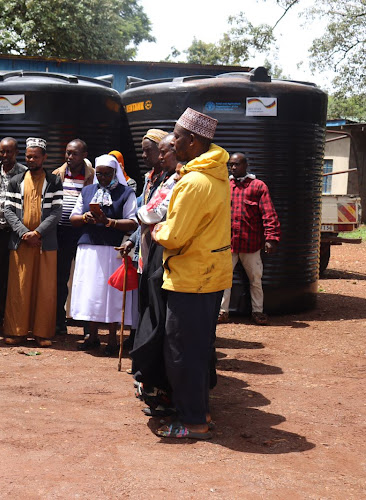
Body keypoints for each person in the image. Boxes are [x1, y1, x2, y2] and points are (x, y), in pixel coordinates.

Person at [151, 107, 232, 440]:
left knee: (182, 351)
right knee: (198, 349)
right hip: (208, 275)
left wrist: (156, 230)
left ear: (194, 141)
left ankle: (192, 421)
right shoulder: (215, 174)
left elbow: (174, 236)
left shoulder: (194, 183)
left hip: (192, 279)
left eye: (179, 136)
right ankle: (200, 412)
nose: (174, 141)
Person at [127, 133, 182, 416]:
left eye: (161, 152)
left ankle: (163, 390)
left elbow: (152, 212)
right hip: (151, 257)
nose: (156, 158)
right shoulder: (156, 178)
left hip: (170, 262)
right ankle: (149, 381)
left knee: (162, 326)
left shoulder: (182, 180)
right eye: (153, 152)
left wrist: (141, 217)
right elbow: (145, 213)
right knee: (148, 317)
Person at [69, 155, 138, 354]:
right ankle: (92, 336)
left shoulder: (126, 193)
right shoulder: (88, 190)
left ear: (115, 173)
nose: (103, 178)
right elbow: (73, 217)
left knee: (112, 294)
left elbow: (133, 222)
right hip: (89, 248)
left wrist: (109, 222)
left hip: (113, 250)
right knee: (91, 292)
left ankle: (113, 340)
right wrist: (84, 217)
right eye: (99, 174)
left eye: (107, 174)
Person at [2, 138, 63, 347]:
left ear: (44, 158)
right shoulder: (15, 180)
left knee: (44, 288)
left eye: (36, 156)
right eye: (28, 156)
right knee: (19, 287)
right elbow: (8, 210)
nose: (31, 160)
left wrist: (37, 233)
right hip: (21, 243)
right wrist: (24, 233)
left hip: (45, 243)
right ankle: (16, 331)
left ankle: (42, 333)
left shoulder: (54, 181)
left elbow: (56, 212)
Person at [218, 152, 280, 325]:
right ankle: (222, 312)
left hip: (251, 243)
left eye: (237, 164)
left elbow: (269, 214)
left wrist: (271, 238)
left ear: (246, 165)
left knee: (255, 279)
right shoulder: (225, 186)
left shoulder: (258, 186)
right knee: (224, 279)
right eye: (231, 164)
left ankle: (258, 312)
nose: (233, 167)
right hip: (228, 243)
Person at [52, 139, 94, 335]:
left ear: (84, 154)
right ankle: (59, 323)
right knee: (60, 279)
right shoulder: (57, 175)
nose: (69, 157)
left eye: (74, 154)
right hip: (61, 233)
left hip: (84, 233)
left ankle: (88, 326)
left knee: (85, 279)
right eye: (67, 153)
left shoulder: (93, 176)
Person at [0, 137, 27, 334]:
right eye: (2, 152)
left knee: (16, 277)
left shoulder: (24, 173)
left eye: (8, 152)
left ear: (16, 152)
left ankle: (16, 320)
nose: (4, 156)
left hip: (16, 232)